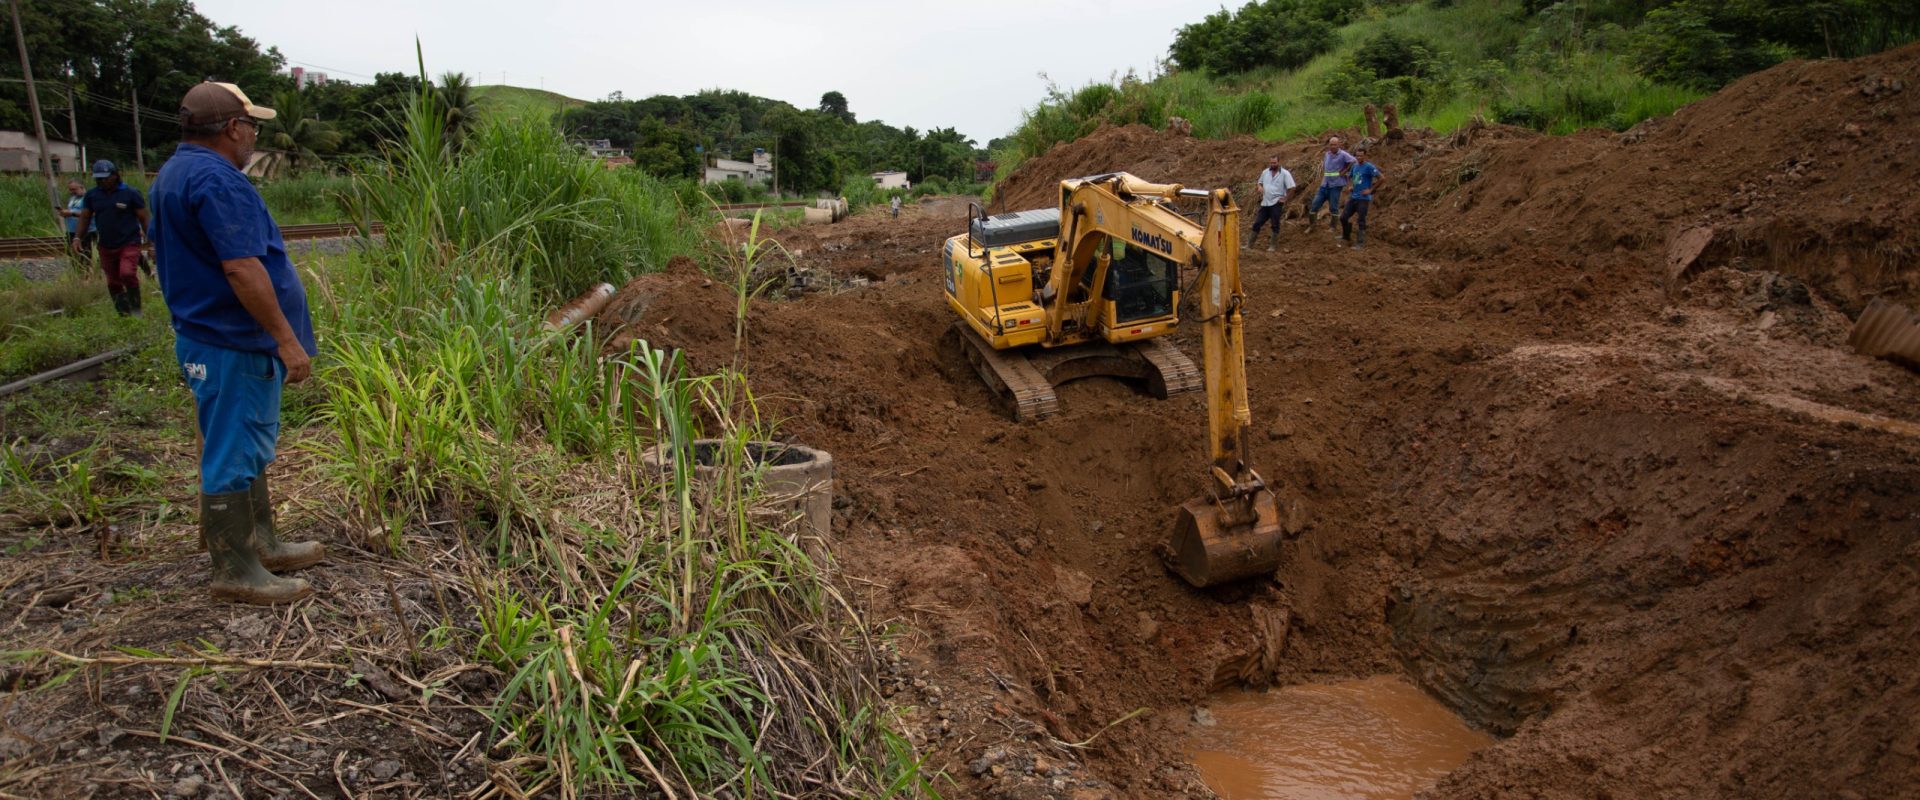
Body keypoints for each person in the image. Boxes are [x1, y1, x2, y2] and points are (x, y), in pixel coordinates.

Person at [152, 81, 323, 605]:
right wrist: (286, 340)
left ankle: (260, 542)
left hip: (210, 337)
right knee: (233, 446)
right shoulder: (217, 180)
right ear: (232, 127)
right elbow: (242, 268)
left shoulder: (176, 172)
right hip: (232, 340)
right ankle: (235, 568)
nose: (254, 136)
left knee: (241, 444)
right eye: (252, 126)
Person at [71, 160, 150, 315]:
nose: (102, 181)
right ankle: (123, 314)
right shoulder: (92, 195)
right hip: (106, 245)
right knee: (113, 281)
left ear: (115, 175)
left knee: (127, 273)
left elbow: (144, 218)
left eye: (105, 178)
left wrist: (151, 240)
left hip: (129, 242)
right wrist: (77, 238)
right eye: (98, 178)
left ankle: (136, 309)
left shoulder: (130, 193)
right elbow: (85, 218)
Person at [1304, 136, 1357, 234]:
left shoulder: (1343, 155)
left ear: (1339, 145)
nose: (1333, 146)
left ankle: (1333, 227)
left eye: (1335, 145)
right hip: (1325, 184)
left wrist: (1345, 171)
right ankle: (1312, 225)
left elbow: (1354, 161)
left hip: (1336, 185)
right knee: (1314, 205)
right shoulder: (1327, 154)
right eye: (1331, 144)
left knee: (1333, 207)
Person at [1248, 155, 1295, 251]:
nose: (1272, 165)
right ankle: (1249, 245)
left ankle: (1272, 246)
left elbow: (1292, 188)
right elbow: (1259, 182)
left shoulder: (1285, 174)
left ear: (1279, 162)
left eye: (1274, 163)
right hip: (1265, 203)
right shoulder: (1265, 172)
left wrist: (1285, 199)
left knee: (1275, 224)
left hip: (1276, 203)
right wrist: (1260, 187)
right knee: (1257, 223)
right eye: (1271, 163)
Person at [1341, 148, 1384, 248]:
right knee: (1343, 217)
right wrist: (1350, 186)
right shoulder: (1355, 166)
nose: (1359, 157)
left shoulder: (1369, 167)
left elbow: (1382, 178)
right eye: (1357, 156)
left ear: (1365, 156)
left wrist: (1371, 190)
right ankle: (1346, 236)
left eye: (1361, 156)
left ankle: (1360, 243)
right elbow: (1349, 177)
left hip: (1363, 199)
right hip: (1353, 197)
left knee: (1361, 220)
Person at [55, 179, 93, 260]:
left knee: (84, 256)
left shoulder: (89, 198)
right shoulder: (72, 198)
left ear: (82, 187)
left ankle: (87, 271)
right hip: (71, 231)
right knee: (73, 256)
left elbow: (91, 213)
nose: (71, 192)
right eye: (70, 189)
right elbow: (72, 210)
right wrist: (64, 213)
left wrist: (71, 213)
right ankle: (77, 271)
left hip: (85, 231)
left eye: (74, 189)